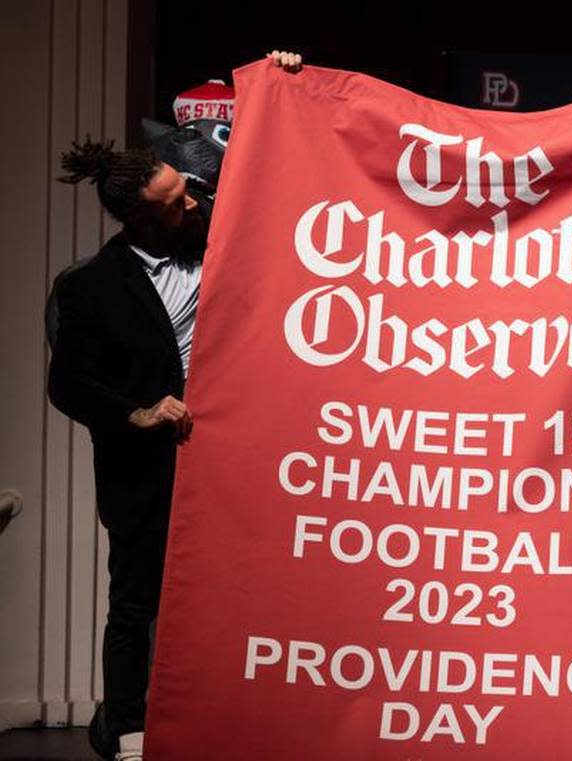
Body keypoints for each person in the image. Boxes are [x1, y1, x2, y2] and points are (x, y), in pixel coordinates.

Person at [48, 50, 301, 761]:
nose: (194, 203)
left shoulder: (218, 242)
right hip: (147, 469)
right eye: (177, 201)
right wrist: (138, 411)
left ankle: (239, 719)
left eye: (190, 192)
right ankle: (128, 729)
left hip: (232, 461)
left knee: (245, 593)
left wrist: (282, 78)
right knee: (137, 600)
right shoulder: (92, 288)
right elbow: (69, 384)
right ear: (138, 217)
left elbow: (279, 169)